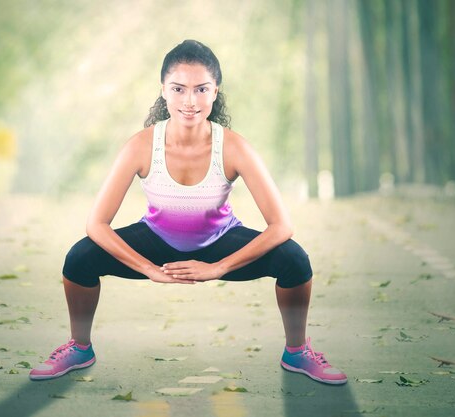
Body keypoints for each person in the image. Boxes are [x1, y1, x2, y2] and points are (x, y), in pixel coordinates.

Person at [30, 40, 347, 385]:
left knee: (295, 260)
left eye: (201, 89)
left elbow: (282, 225)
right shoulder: (141, 145)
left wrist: (218, 267)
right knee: (79, 258)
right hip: (156, 239)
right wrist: (148, 269)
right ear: (163, 90)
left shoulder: (235, 147)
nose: (190, 101)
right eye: (179, 89)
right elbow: (97, 224)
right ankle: (79, 347)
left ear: (215, 92)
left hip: (219, 240)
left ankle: (297, 352)